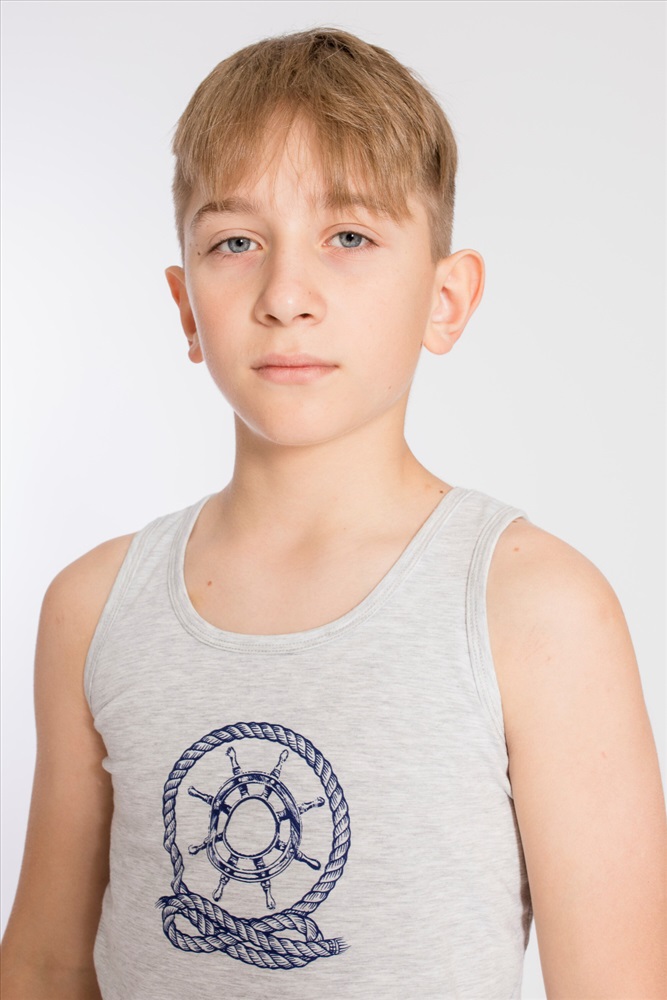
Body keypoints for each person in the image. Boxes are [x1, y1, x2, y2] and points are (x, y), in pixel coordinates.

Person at [1, 26, 665, 1000]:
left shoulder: (537, 611)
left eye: (348, 237)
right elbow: (46, 964)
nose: (286, 296)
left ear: (446, 298)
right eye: (236, 243)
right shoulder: (93, 609)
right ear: (186, 307)